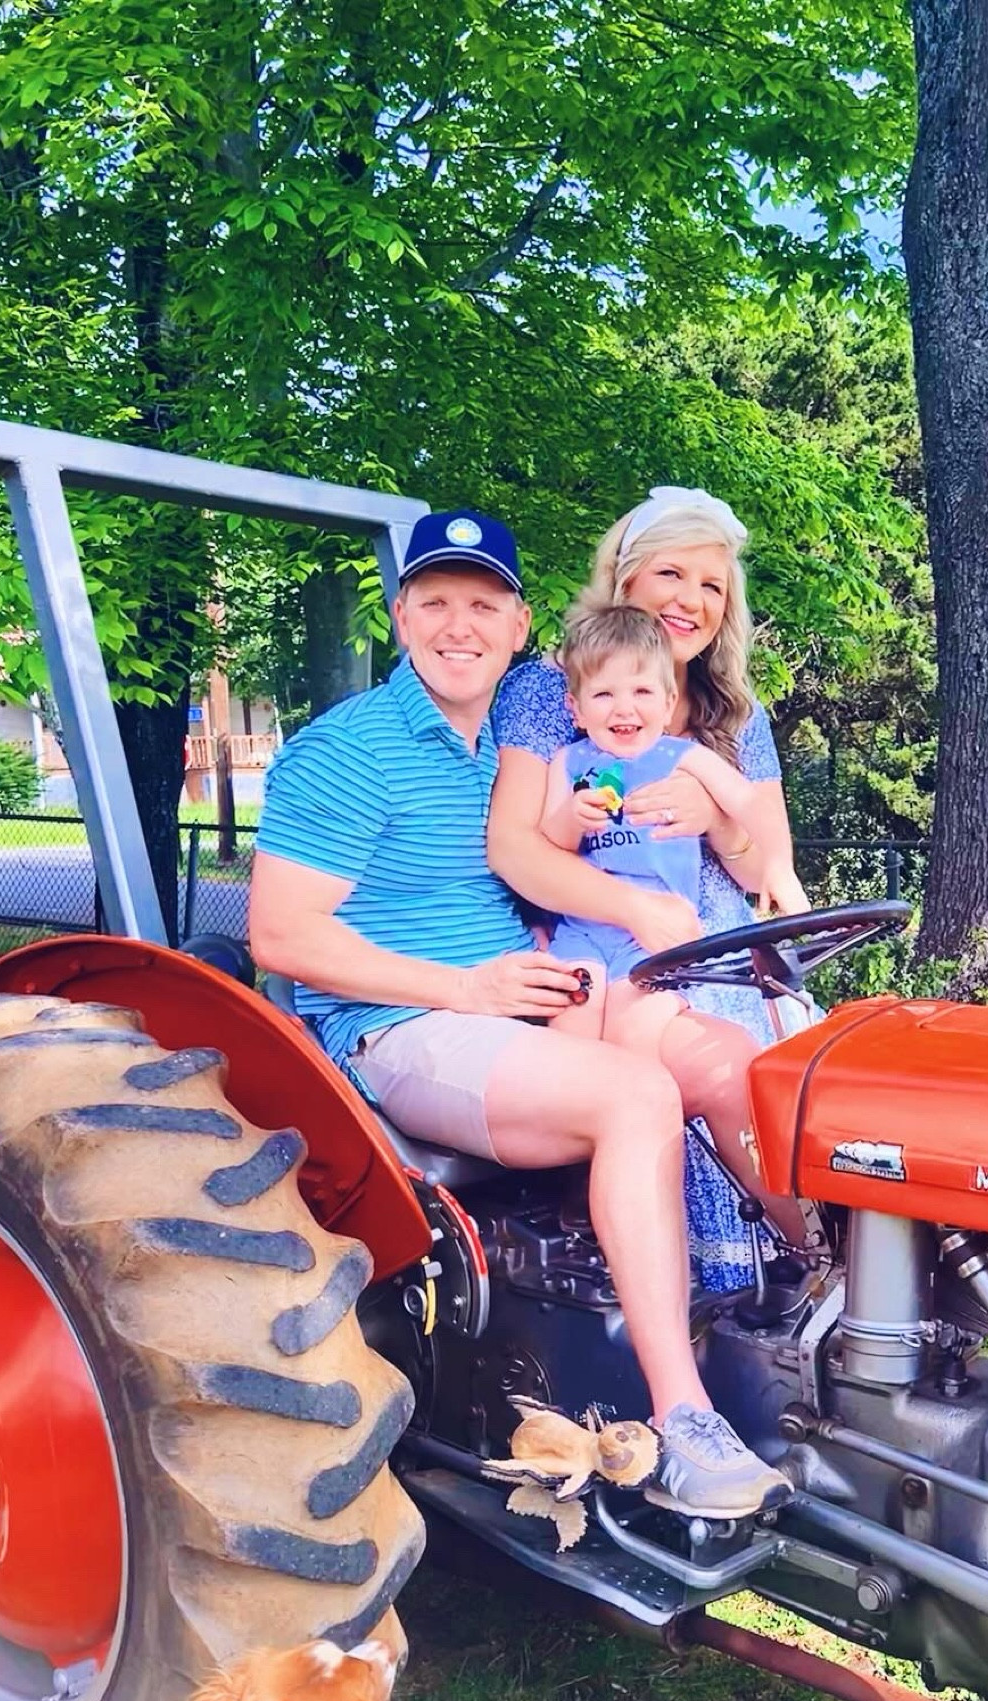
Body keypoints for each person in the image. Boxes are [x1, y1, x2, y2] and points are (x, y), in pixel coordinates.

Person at [247, 508, 791, 1519]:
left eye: (483, 606)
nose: (460, 626)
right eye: (436, 603)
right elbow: (280, 936)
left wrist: (705, 816)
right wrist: (467, 987)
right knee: (636, 1093)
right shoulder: (347, 750)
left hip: (531, 1000)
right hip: (405, 1022)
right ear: (401, 616)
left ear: (518, 624)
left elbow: (613, 839)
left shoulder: (519, 739)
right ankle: (685, 1418)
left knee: (746, 1066)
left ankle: (816, 1305)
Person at [488, 485, 804, 1291]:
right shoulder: (550, 690)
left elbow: (764, 863)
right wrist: (634, 908)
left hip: (715, 939)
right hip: (602, 932)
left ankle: (813, 1269)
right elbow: (518, 847)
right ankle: (664, 1279)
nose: (691, 600)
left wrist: (716, 819)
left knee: (792, 1083)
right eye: (671, 573)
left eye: (712, 586)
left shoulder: (733, 711)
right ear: (624, 579)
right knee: (673, 1062)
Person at [538, 602, 809, 1245]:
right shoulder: (569, 763)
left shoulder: (680, 758)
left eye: (640, 692)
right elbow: (547, 839)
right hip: (583, 931)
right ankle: (576, 1200)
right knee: (569, 1041)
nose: (623, 708)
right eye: (604, 694)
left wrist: (767, 859)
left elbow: (753, 804)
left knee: (634, 1045)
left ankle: (640, 1194)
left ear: (667, 702)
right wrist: (573, 817)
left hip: (654, 941)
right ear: (577, 707)